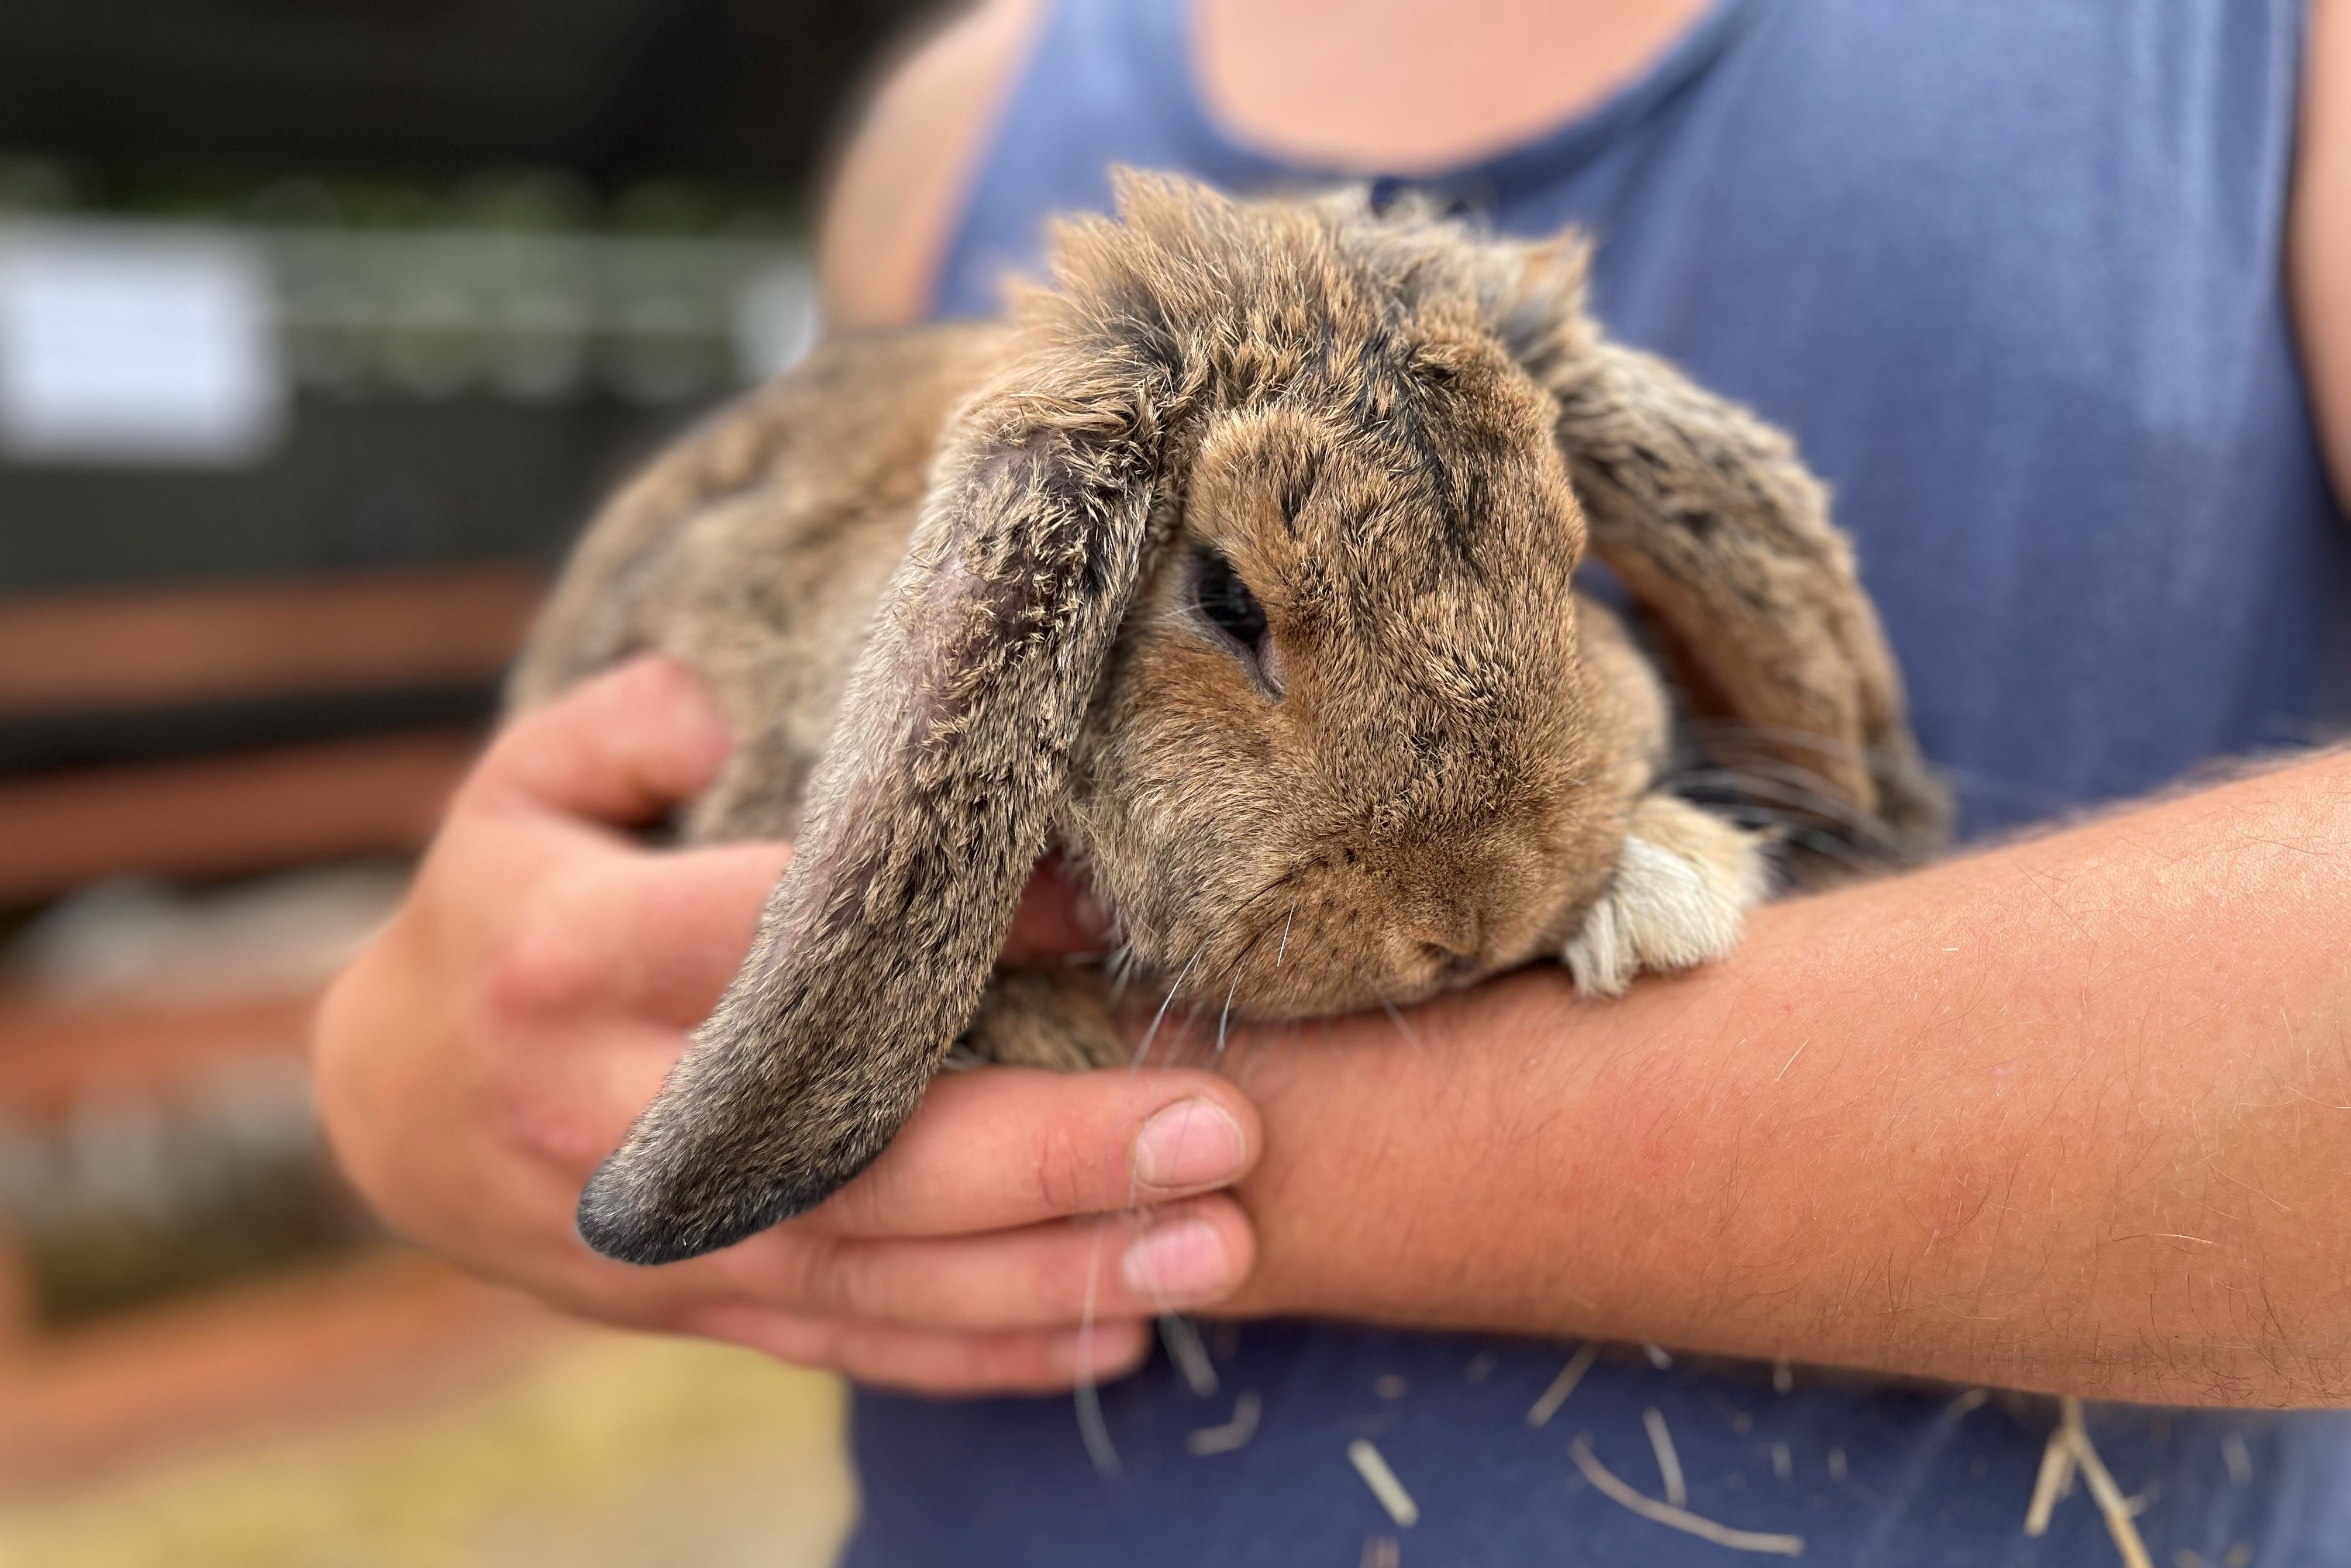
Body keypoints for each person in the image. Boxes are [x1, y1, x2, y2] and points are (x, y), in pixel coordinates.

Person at [315, 0, 2351, 1560]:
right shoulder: (960, 137)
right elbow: (715, 807)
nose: (1469, 893)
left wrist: (1133, 1132)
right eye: (1242, 613)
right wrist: (413, 1082)